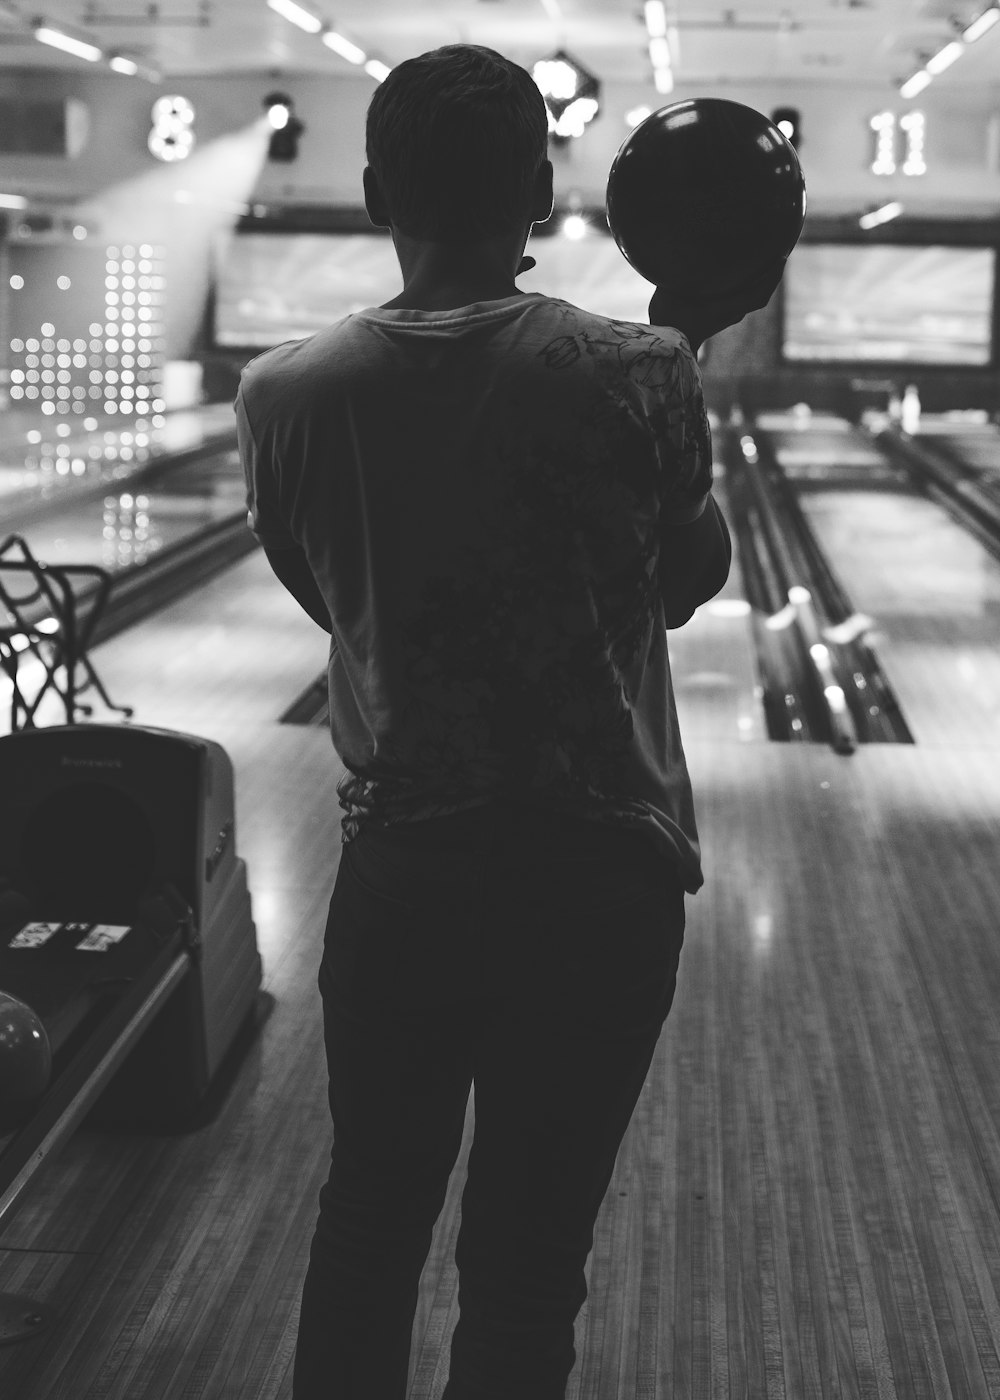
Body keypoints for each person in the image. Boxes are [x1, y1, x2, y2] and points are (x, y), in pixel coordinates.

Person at [236, 45, 782, 1400]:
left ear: (372, 192)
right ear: (542, 193)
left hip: (406, 875)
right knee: (529, 1272)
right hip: (598, 888)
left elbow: (334, 606)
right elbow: (682, 586)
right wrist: (684, 344)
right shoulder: (637, 370)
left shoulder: (285, 394)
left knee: (366, 1229)